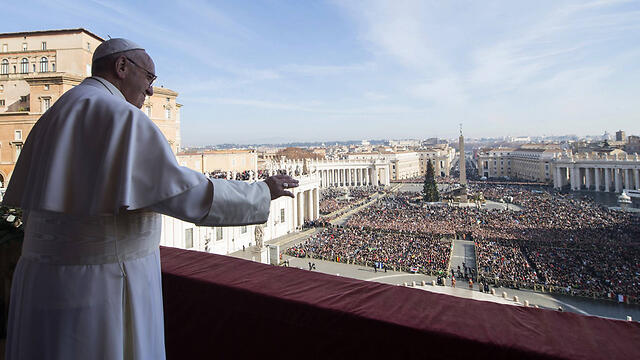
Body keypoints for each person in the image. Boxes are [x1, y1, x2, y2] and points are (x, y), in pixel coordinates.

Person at [3, 38, 299, 360]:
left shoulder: (59, 111)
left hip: (42, 279)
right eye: (149, 78)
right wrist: (260, 191)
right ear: (121, 67)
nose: (150, 92)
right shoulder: (120, 116)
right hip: (102, 283)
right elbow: (180, 191)